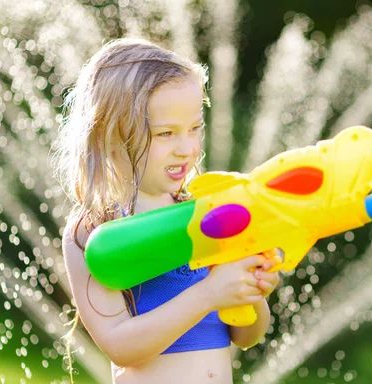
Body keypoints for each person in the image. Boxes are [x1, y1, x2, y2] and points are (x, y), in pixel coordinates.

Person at [52, 37, 281, 384]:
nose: (186, 148)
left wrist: (252, 290)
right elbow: (120, 346)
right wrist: (208, 293)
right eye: (165, 134)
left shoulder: (206, 215)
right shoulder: (97, 231)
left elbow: (246, 338)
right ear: (112, 136)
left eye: (194, 129)